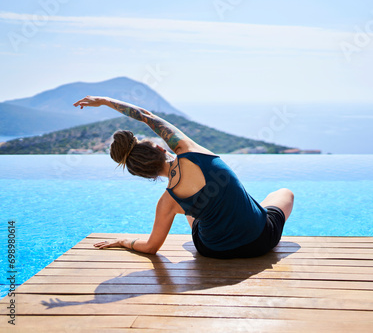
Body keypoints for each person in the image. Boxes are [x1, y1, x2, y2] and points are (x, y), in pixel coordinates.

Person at [73, 96, 294, 259]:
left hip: (213, 251)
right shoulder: (190, 150)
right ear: (159, 148)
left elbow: (150, 247)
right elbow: (145, 116)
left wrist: (123, 241)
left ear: (145, 174)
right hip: (259, 241)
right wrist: (103, 101)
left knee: (192, 209)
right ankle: (255, 213)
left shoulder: (167, 202)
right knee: (284, 194)